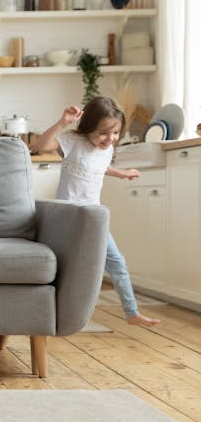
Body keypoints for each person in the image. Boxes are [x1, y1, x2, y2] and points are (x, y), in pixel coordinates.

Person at [30, 96, 160, 327]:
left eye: (115, 133)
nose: (109, 139)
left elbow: (98, 166)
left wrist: (120, 173)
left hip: (94, 218)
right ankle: (46, 311)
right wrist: (63, 122)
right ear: (88, 127)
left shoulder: (107, 150)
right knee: (64, 267)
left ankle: (131, 312)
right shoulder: (72, 141)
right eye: (103, 133)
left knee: (117, 263)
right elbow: (39, 147)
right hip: (69, 217)